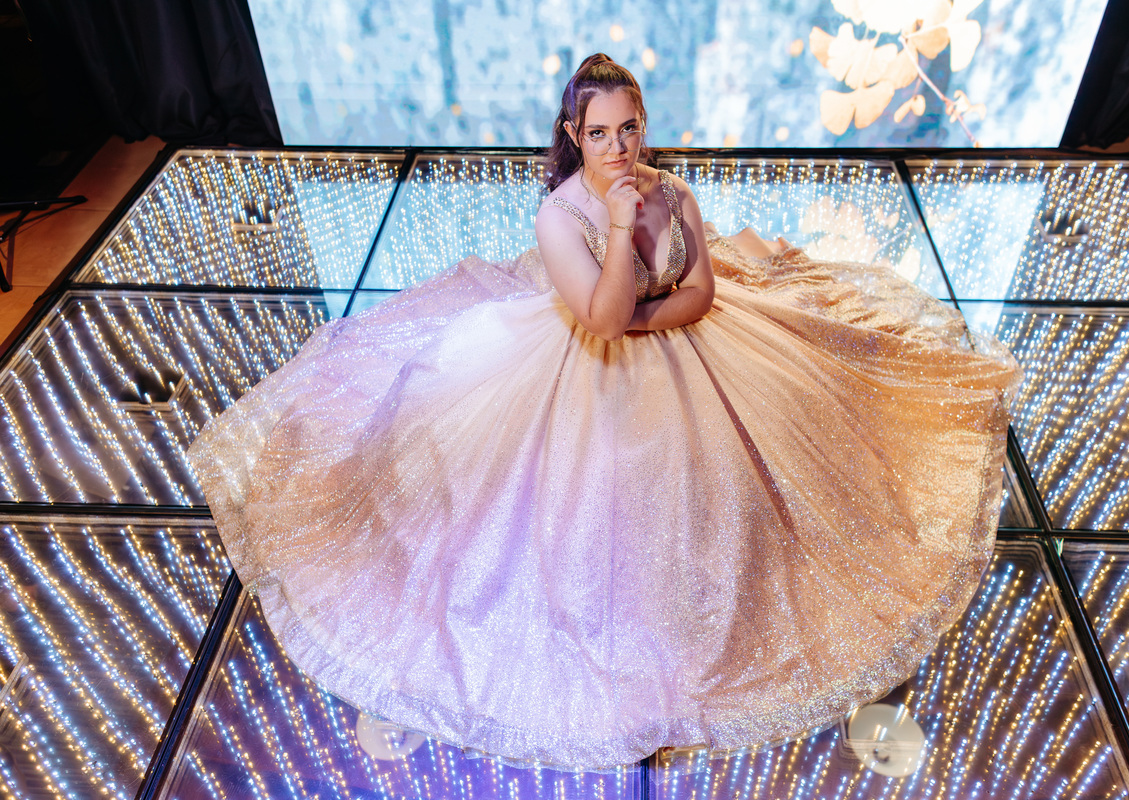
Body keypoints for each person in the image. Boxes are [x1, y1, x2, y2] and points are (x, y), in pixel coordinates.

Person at [187, 53, 1022, 770]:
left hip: (687, 343)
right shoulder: (561, 216)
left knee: (774, 456)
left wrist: (645, 313)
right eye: (598, 134)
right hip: (580, 367)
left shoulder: (674, 191)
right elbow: (599, 317)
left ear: (642, 125)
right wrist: (622, 231)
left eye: (628, 129)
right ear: (573, 136)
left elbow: (700, 293)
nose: (617, 147)